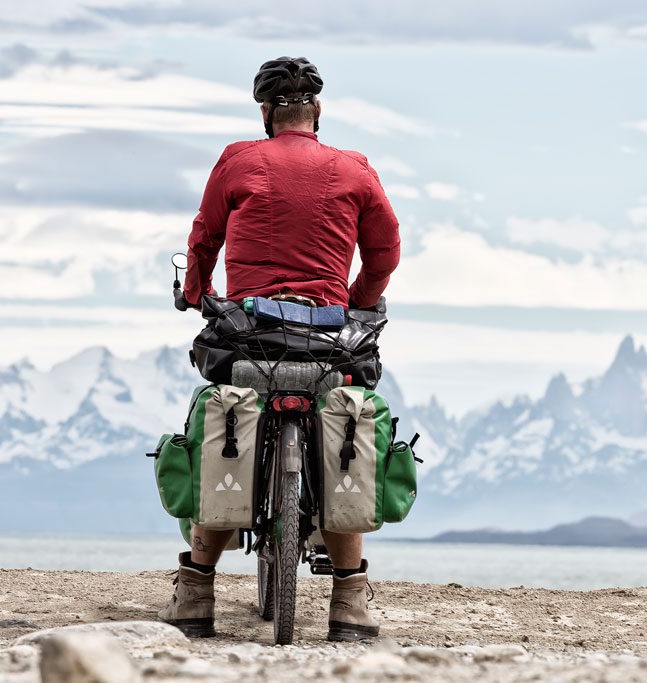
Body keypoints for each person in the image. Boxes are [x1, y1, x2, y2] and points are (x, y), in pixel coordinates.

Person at [158, 56, 401, 641]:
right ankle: (350, 601)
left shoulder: (239, 160)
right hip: (328, 337)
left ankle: (196, 591)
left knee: (221, 417)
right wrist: (358, 301)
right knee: (345, 428)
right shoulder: (354, 168)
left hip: (251, 334)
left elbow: (204, 236)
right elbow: (386, 248)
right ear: (316, 110)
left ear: (265, 114)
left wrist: (195, 293)